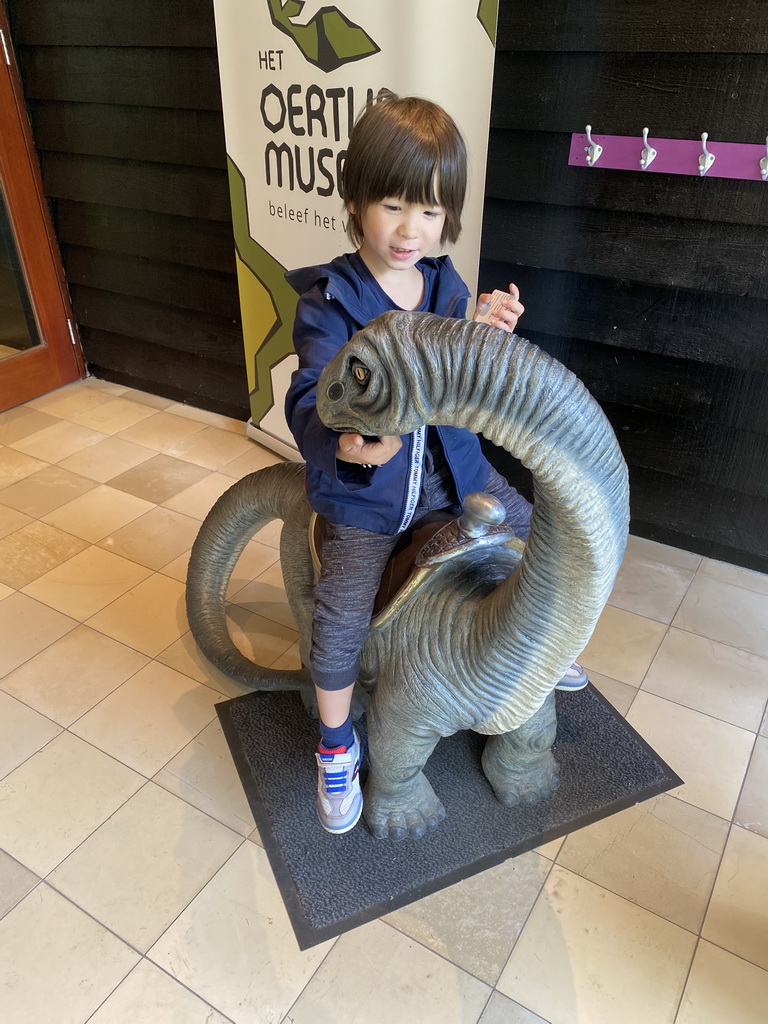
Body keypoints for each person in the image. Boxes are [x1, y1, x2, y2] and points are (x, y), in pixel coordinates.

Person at [285, 92, 587, 836]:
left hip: (459, 479)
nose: (409, 230)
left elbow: (462, 381)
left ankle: (541, 644)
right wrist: (348, 444)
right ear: (355, 202)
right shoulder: (331, 301)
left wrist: (483, 334)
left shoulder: (447, 286)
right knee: (342, 617)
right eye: (391, 206)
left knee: (544, 539)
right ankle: (334, 743)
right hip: (367, 497)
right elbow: (308, 395)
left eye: (427, 210)